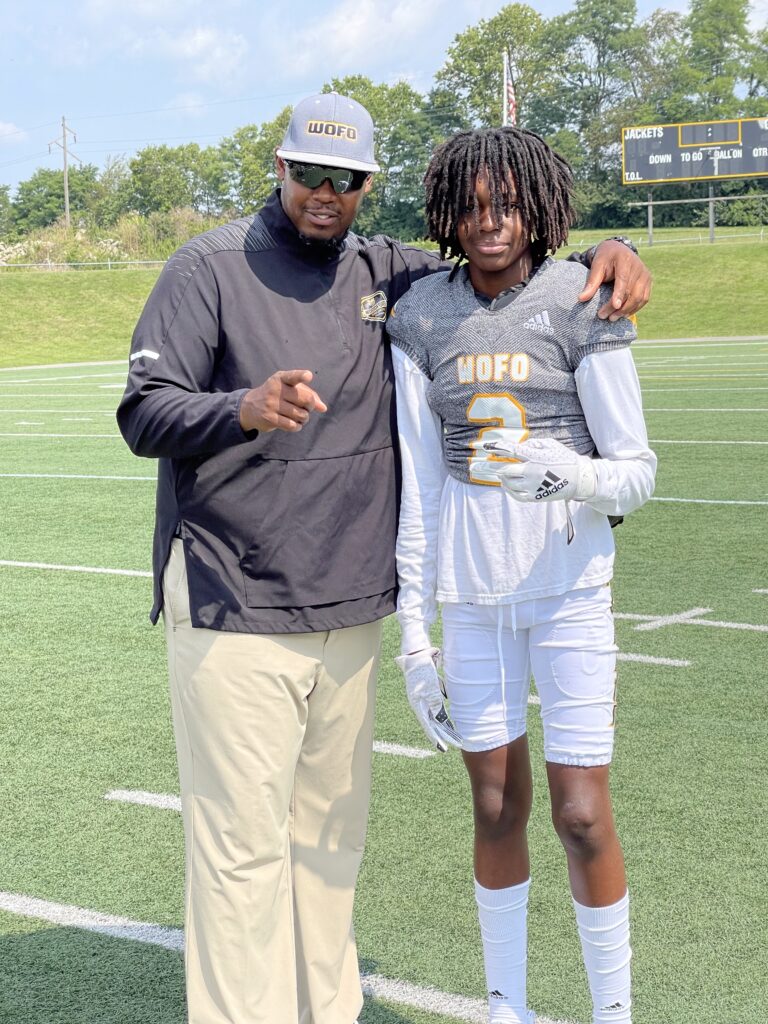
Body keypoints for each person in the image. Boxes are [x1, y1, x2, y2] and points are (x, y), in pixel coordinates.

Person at [116, 91, 653, 1024]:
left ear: (372, 186)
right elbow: (142, 411)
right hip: (235, 600)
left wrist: (612, 250)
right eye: (309, 174)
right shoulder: (205, 268)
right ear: (277, 168)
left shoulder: (395, 276)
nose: (326, 193)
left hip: (350, 607)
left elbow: (508, 255)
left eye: (348, 179)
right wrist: (238, 408)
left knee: (328, 848)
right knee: (243, 852)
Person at [388, 126, 657, 1024]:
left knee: (581, 813)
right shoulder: (420, 314)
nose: (489, 221)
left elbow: (637, 470)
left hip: (570, 592)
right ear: (449, 217)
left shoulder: (582, 297)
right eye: (471, 206)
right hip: (470, 602)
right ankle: (507, 1007)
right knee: (495, 805)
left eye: (505, 203)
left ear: (535, 207)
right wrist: (412, 643)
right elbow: (420, 487)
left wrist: (569, 474)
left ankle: (611, 1015)